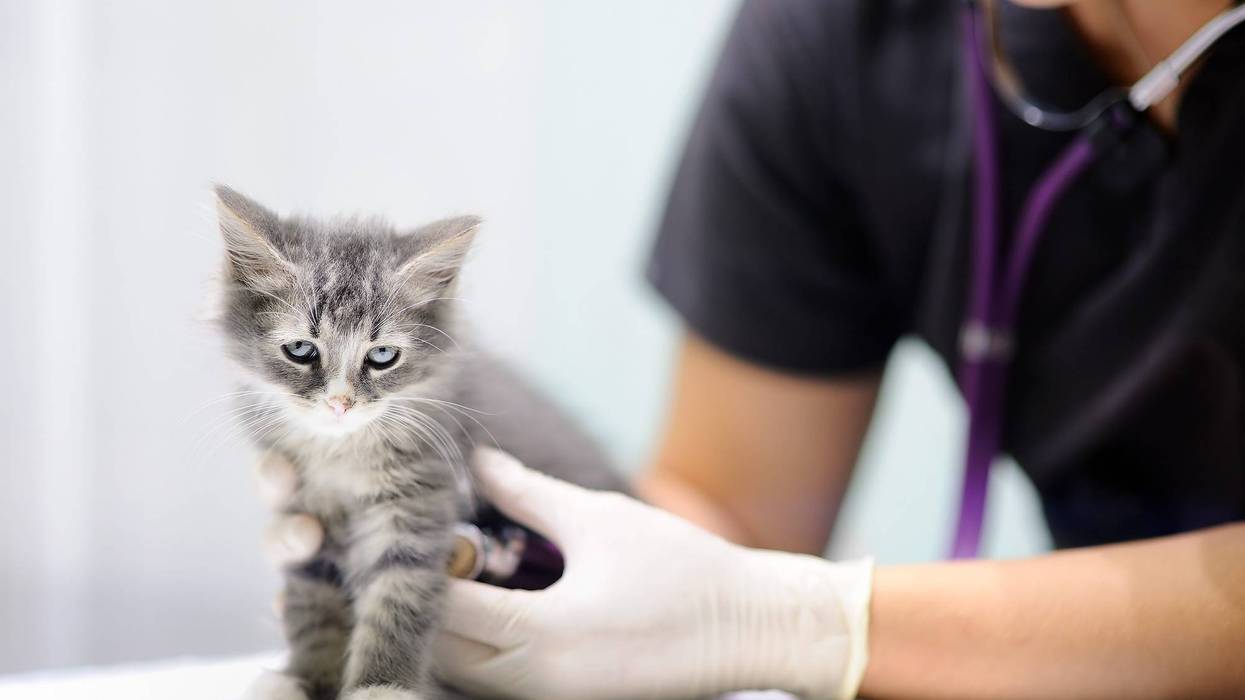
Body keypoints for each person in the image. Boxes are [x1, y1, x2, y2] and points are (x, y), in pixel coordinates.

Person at [261, 1, 1245, 697]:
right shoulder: (847, 37)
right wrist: (510, 541)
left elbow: (754, 597)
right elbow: (733, 520)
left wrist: (797, 621)